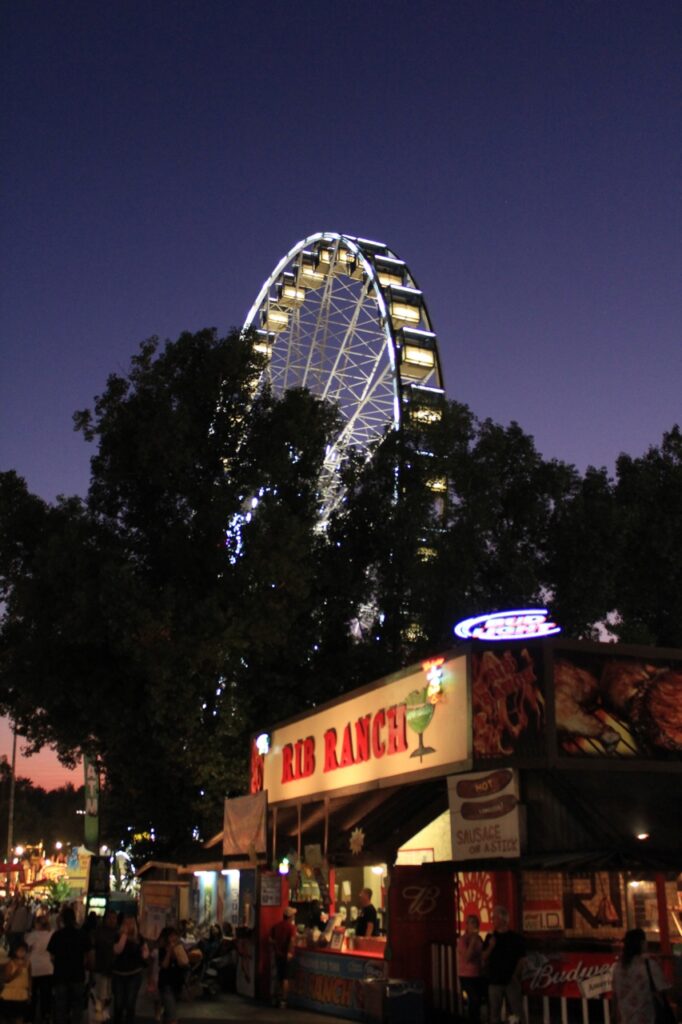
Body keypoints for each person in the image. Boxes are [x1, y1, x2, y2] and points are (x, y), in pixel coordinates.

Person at [612, 928, 671, 1024]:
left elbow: (615, 996)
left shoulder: (618, 968)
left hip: (626, 1019)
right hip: (646, 1018)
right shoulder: (649, 965)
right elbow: (662, 989)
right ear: (642, 943)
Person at [481, 906, 525, 1024]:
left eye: (494, 918)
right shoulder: (490, 937)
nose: (492, 920)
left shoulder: (515, 938)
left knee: (516, 1013)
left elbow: (522, 959)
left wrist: (515, 975)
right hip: (494, 980)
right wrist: (490, 946)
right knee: (494, 1013)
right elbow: (483, 957)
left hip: (511, 980)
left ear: (503, 920)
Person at [47, 906, 90, 1024]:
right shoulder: (82, 935)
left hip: (60, 974)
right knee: (77, 1005)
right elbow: (87, 956)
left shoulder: (57, 935)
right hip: (77, 974)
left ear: (63, 920)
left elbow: (51, 956)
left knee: (60, 1005)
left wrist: (57, 964)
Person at [111, 918, 148, 1024]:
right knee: (118, 1003)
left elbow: (145, 954)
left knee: (130, 1002)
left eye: (131, 924)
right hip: (119, 973)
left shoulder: (139, 938)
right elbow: (118, 950)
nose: (129, 926)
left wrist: (144, 952)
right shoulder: (118, 936)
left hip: (134, 973)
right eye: (126, 924)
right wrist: (124, 935)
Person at [156, 928, 189, 1024]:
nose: (173, 938)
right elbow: (164, 965)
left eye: (175, 935)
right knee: (172, 1016)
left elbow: (184, 963)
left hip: (177, 984)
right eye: (171, 936)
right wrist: (169, 951)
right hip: (166, 984)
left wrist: (178, 952)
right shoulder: (162, 949)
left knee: (168, 1014)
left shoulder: (179, 947)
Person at [25, 915, 53, 1024]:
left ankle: (31, 1017)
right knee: (46, 994)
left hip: (34, 967)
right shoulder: (52, 934)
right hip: (48, 967)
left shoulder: (33, 935)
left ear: (38, 924)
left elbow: (26, 947)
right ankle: (45, 1015)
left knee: (33, 993)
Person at [92, 911, 119, 1019]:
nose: (112, 921)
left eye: (114, 918)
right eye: (110, 918)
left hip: (113, 969)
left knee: (108, 995)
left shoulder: (118, 933)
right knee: (102, 995)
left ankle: (103, 1015)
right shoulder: (99, 932)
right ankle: (100, 1016)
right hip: (101, 968)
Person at [457, 914, 484, 1024]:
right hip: (466, 975)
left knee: (478, 1000)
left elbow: (482, 955)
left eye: (476, 922)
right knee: (474, 999)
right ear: (467, 925)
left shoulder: (479, 939)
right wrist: (472, 942)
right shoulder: (463, 940)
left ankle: (477, 1018)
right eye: (472, 922)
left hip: (478, 973)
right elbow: (467, 958)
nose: (475, 925)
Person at [268, 907, 297, 1009]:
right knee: (285, 979)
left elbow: (270, 939)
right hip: (286, 956)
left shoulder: (276, 926)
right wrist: (289, 952)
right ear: (290, 917)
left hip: (277, 955)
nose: (294, 917)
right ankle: (283, 1001)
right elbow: (292, 940)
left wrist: (276, 946)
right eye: (293, 915)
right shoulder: (291, 927)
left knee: (278, 977)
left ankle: (275, 998)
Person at [0, 940, 32, 1024]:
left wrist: (29, 992)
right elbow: (6, 979)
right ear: (15, 951)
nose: (22, 953)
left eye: (24, 951)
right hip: (10, 994)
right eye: (20, 950)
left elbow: (29, 978)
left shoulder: (28, 963)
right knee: (8, 1018)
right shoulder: (10, 963)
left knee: (20, 1017)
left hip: (22, 994)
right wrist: (15, 973)